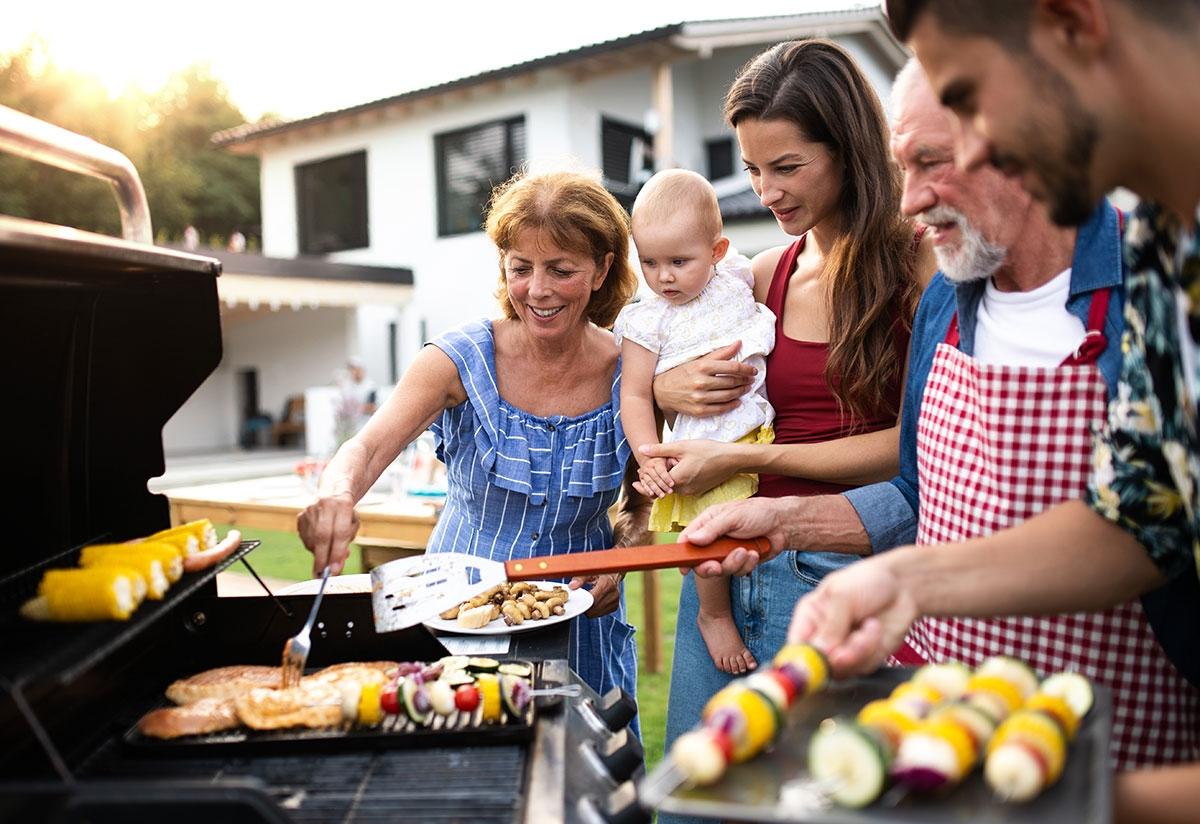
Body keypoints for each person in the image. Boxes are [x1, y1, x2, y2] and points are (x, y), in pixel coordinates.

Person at [694, 2, 1200, 818]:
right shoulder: (959, 302)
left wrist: (1080, 794)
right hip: (959, 734)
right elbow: (1136, 517)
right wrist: (852, 554)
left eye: (959, 122)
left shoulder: (1144, 266)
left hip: (1122, 739)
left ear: (1074, 32)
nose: (909, 201)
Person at [651, 42, 932, 823]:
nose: (766, 190)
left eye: (787, 166)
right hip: (725, 567)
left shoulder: (918, 263)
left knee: (816, 803)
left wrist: (760, 458)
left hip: (830, 574)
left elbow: (918, 446)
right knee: (696, 802)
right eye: (751, 170)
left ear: (848, 148)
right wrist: (665, 384)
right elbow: (656, 347)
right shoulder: (763, 274)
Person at [297, 169, 648, 727]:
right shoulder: (459, 359)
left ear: (603, 268)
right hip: (458, 617)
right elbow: (365, 448)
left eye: (561, 269)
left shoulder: (631, 371)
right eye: (521, 268)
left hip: (582, 627)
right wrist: (337, 495)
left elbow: (642, 502)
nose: (538, 289)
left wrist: (621, 561)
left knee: (588, 792)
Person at [614, 168, 776, 673]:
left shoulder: (738, 278)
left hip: (760, 430)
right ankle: (712, 613)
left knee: (752, 539)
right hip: (703, 441)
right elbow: (636, 396)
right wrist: (648, 456)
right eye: (649, 262)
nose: (664, 277)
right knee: (708, 535)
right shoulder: (648, 319)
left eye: (679, 262)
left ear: (718, 252)